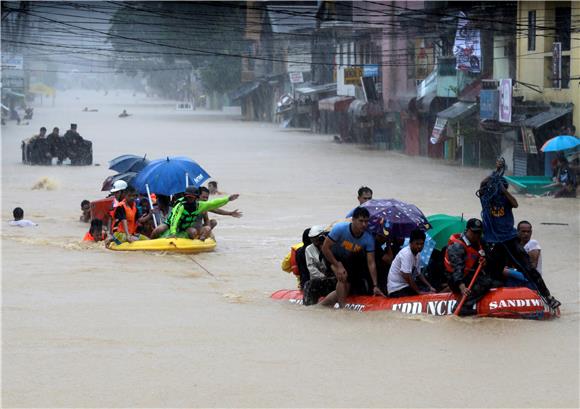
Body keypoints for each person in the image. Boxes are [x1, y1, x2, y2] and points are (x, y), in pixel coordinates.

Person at [478, 159, 561, 309]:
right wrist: (496, 172)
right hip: (494, 242)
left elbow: (516, 203)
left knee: (529, 269)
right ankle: (482, 301)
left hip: (510, 239)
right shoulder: (486, 199)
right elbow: (482, 186)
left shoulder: (506, 199)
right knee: (491, 273)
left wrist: (503, 190)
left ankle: (548, 297)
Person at [320, 207, 384, 308]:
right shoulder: (340, 228)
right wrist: (337, 265)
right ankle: (342, 308)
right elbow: (325, 248)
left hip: (347, 259)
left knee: (347, 288)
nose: (364, 224)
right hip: (330, 255)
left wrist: (375, 285)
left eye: (366, 222)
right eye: (361, 221)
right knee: (342, 276)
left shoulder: (368, 238)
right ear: (353, 220)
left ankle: (322, 305)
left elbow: (371, 263)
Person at [150, 186, 239, 240]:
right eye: (188, 197)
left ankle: (199, 243)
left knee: (197, 231)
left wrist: (228, 199)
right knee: (158, 230)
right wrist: (173, 232)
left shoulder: (200, 205)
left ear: (196, 197)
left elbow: (213, 203)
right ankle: (151, 241)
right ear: (185, 196)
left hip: (186, 227)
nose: (190, 199)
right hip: (171, 224)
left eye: (192, 197)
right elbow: (175, 219)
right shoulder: (180, 205)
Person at [443, 218, 492, 315]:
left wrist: (484, 261)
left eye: (479, 232)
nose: (476, 235)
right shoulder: (457, 246)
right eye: (474, 232)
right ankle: (462, 306)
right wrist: (461, 286)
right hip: (455, 278)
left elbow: (486, 256)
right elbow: (457, 268)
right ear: (467, 230)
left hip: (469, 273)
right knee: (485, 283)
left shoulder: (479, 242)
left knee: (492, 282)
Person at [387, 229, 436, 297]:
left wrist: (430, 286)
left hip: (406, 287)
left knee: (430, 291)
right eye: (417, 243)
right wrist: (418, 292)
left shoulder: (417, 254)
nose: (419, 246)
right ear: (411, 243)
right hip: (397, 289)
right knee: (425, 294)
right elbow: (406, 275)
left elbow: (419, 274)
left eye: (422, 244)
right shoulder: (406, 254)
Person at [302, 225, 336, 306]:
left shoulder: (331, 245)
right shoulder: (309, 249)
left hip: (334, 277)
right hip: (320, 279)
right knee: (309, 284)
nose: (314, 241)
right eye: (312, 239)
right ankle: (309, 306)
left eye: (316, 238)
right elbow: (311, 267)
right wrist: (323, 277)